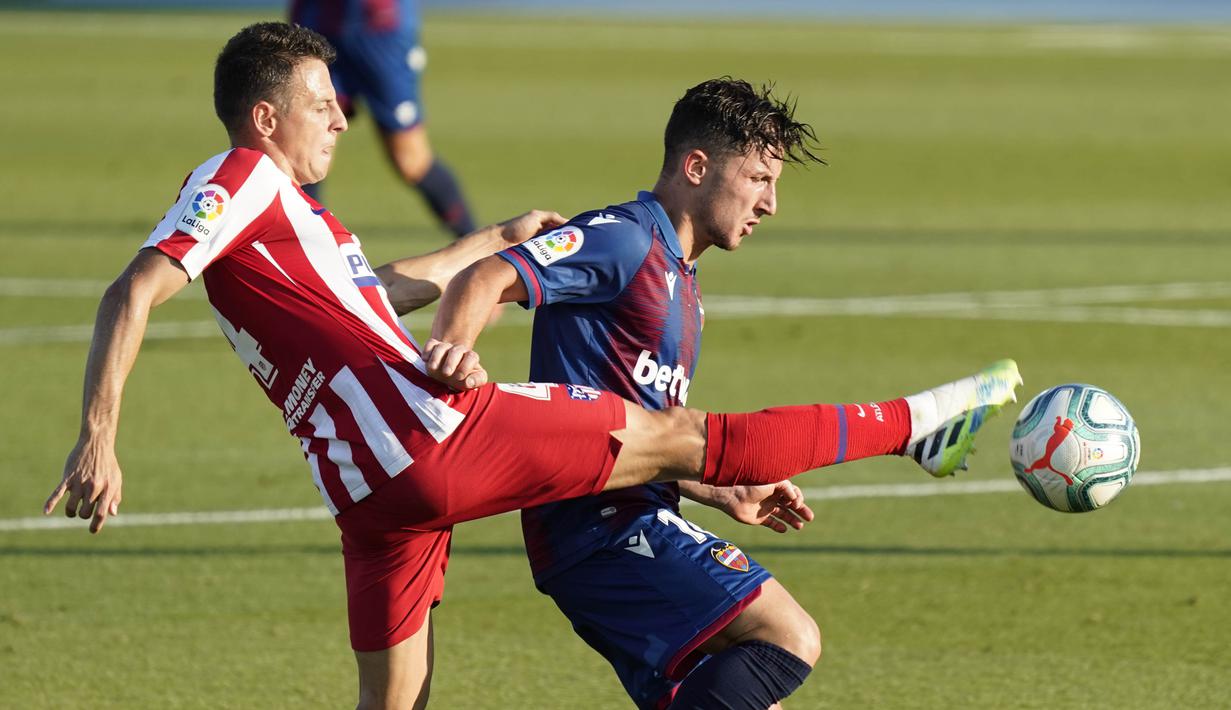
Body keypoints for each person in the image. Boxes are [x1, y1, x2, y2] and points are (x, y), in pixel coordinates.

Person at [44, 23, 1021, 710]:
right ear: (263, 120)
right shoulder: (240, 178)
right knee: (688, 436)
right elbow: (133, 288)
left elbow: (373, 295)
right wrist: (100, 435)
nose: (341, 119)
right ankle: (920, 419)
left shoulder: (299, 226)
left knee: (394, 702)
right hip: (425, 435)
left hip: (373, 496)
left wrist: (496, 234)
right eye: (319, 105)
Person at [426, 77, 829, 709]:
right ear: (697, 167)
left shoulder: (684, 283)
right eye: (758, 178)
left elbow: (638, 428)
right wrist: (453, 350)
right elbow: (485, 276)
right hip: (599, 527)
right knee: (788, 634)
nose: (771, 203)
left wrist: (720, 488)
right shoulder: (624, 239)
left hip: (624, 521)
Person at [290, 0, 476, 237]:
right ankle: (302, 246)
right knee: (306, 150)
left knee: (411, 161)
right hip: (320, 22)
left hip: (380, 28)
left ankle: (475, 243)